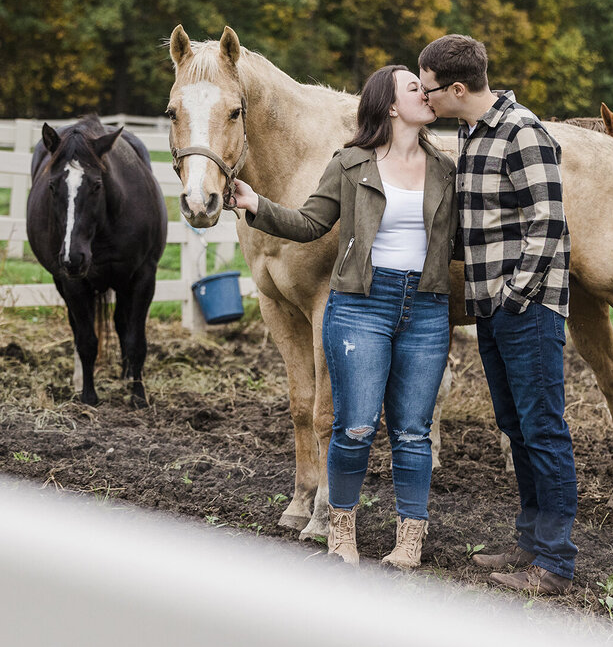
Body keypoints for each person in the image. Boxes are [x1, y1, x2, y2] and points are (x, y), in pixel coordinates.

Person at [229, 65, 457, 570]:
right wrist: (256, 205)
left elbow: (460, 241)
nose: (427, 92)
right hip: (362, 305)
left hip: (425, 307)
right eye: (414, 87)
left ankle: (410, 539)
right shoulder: (350, 163)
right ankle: (340, 528)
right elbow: (310, 223)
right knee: (354, 426)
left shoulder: (444, 169)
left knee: (413, 433)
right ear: (392, 106)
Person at [418, 34, 578, 595]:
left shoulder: (523, 133)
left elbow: (550, 221)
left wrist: (516, 293)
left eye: (430, 88)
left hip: (525, 307)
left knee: (543, 428)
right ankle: (530, 541)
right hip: (490, 304)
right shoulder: (469, 132)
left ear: (457, 88)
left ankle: (555, 563)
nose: (424, 96)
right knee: (516, 426)